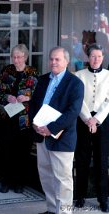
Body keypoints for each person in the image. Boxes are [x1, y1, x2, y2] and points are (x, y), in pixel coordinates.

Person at [29, 46, 84, 214]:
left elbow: (73, 112)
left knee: (63, 181)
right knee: (46, 177)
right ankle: (52, 209)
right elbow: (34, 104)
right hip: (41, 136)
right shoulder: (43, 79)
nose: (53, 62)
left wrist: (51, 128)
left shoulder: (75, 83)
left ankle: (65, 212)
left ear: (66, 61)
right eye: (51, 59)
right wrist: (35, 123)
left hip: (62, 138)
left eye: (57, 59)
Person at [0, 44, 38, 193]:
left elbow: (38, 95)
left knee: (22, 151)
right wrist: (8, 96)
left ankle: (19, 182)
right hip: (7, 117)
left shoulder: (33, 72)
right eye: (14, 56)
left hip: (24, 120)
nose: (16, 59)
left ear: (25, 57)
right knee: (7, 150)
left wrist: (27, 96)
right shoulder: (6, 71)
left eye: (19, 57)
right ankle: (6, 181)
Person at [74, 44, 109, 212]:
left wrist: (97, 119)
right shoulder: (79, 75)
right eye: (93, 56)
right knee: (82, 160)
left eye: (99, 56)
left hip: (103, 122)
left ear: (103, 58)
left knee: (102, 161)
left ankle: (103, 199)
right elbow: (78, 100)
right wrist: (88, 119)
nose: (96, 59)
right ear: (88, 57)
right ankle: (80, 195)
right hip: (83, 122)